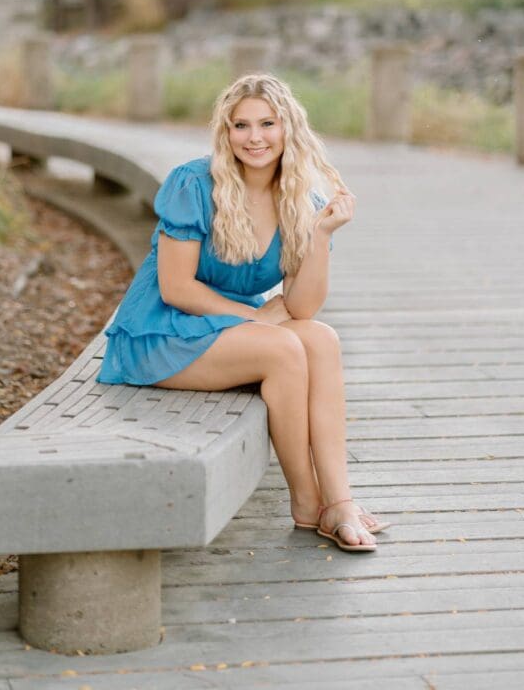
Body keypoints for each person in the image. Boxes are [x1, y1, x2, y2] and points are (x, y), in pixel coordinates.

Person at [96, 74, 389, 551]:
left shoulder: (303, 199)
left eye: (267, 123)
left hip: (224, 327)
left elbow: (301, 307)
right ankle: (307, 502)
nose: (255, 138)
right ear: (225, 132)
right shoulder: (195, 183)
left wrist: (320, 236)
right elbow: (175, 288)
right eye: (241, 125)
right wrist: (257, 317)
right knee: (282, 348)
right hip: (158, 332)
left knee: (321, 338)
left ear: (288, 127)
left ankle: (341, 501)